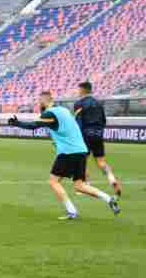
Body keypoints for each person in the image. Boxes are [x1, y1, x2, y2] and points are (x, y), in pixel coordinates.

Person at [9, 90, 120, 220]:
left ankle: (71, 211)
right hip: (81, 150)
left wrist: (17, 123)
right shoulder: (64, 110)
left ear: (45, 101)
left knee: (53, 181)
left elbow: (34, 125)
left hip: (68, 152)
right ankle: (109, 199)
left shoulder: (50, 113)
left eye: (40, 101)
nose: (39, 104)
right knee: (80, 185)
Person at [73, 81, 121, 196]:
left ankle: (86, 185)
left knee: (82, 160)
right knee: (101, 161)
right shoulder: (98, 103)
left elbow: (78, 123)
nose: (77, 91)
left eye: (78, 89)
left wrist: (76, 136)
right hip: (98, 134)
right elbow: (104, 120)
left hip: (85, 134)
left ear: (83, 90)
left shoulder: (79, 103)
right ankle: (112, 179)